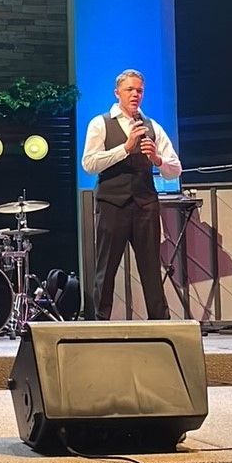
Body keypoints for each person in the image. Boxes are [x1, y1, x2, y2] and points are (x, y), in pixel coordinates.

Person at [81, 69, 181, 321]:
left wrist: (156, 158)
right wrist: (125, 148)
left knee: (151, 267)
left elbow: (175, 169)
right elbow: (89, 163)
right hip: (112, 203)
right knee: (106, 267)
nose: (135, 94)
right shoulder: (100, 123)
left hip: (145, 204)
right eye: (130, 90)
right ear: (117, 93)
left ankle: (160, 323)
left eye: (139, 90)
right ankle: (100, 322)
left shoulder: (152, 126)